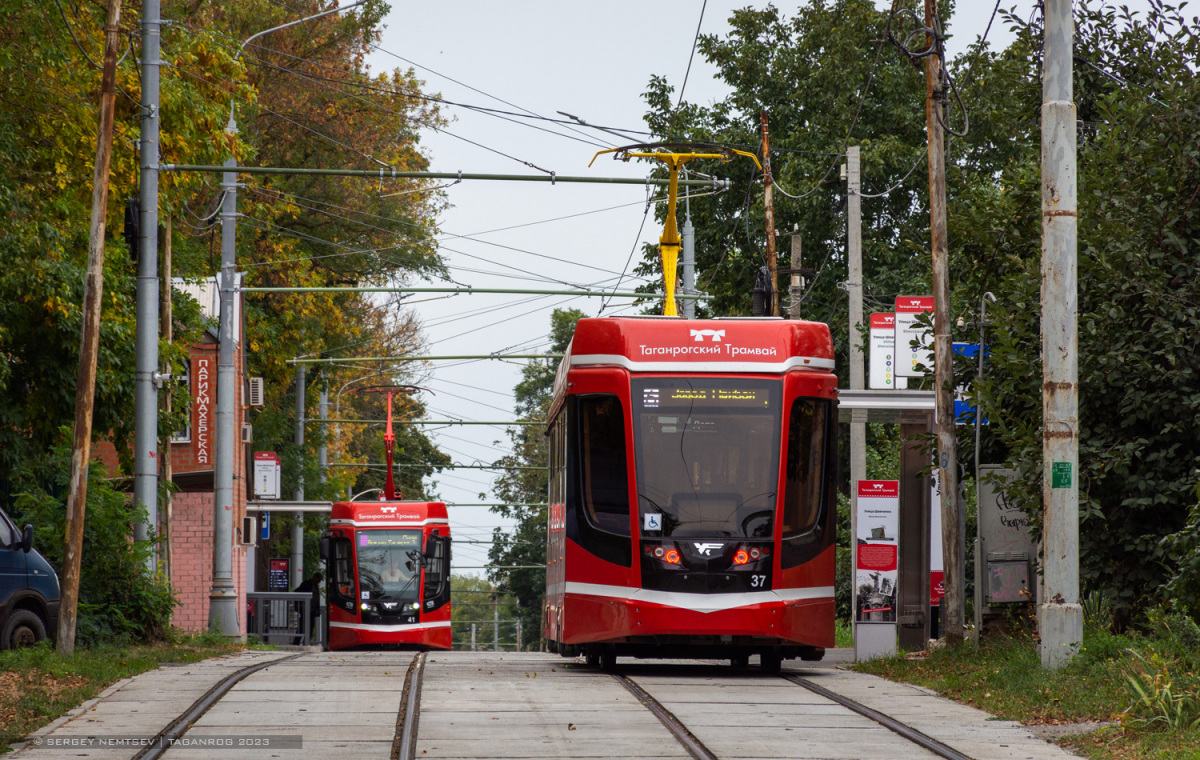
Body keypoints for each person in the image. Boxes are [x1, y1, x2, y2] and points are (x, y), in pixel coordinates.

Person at [293, 571, 323, 645]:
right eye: (319, 579)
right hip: (305, 609)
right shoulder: (306, 584)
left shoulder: (316, 586)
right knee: (302, 626)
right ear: (315, 577)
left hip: (312, 610)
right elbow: (296, 592)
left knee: (310, 627)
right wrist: (297, 604)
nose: (319, 581)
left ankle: (306, 642)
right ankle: (296, 642)